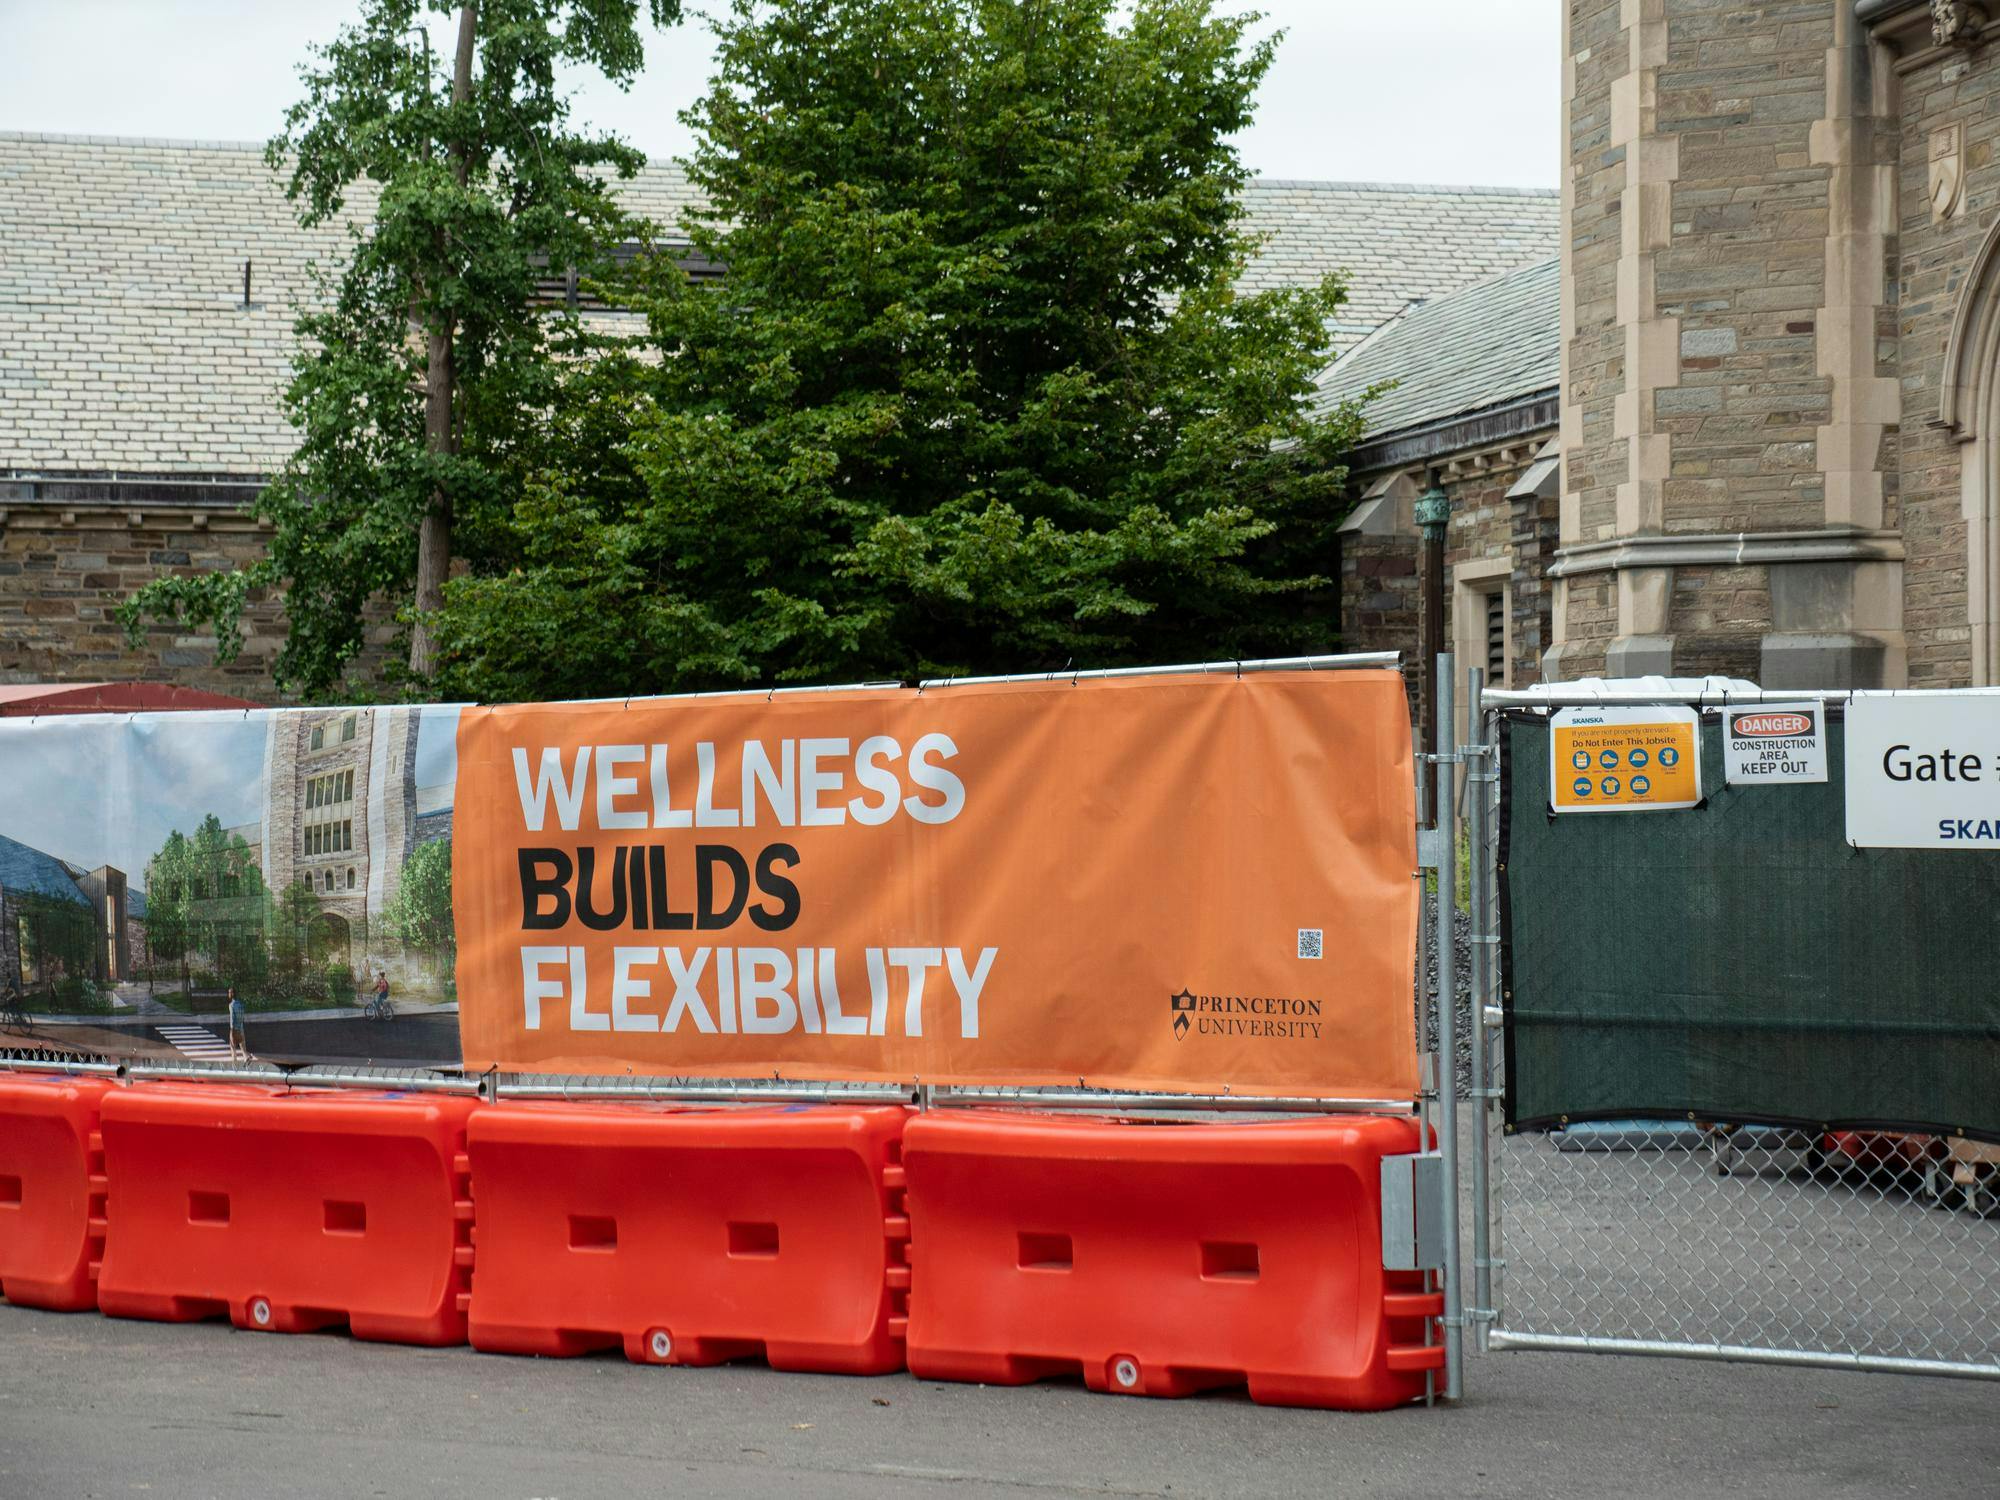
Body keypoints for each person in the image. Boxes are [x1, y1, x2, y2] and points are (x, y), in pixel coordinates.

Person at [226, 985, 248, 1062]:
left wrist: (232, 1029)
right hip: (241, 1026)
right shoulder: (241, 1004)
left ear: (232, 994)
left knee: (232, 1044)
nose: (228, 994)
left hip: (234, 1027)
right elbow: (242, 1015)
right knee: (242, 1043)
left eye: (229, 993)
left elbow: (232, 1017)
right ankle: (245, 1057)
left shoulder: (231, 1005)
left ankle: (234, 1059)